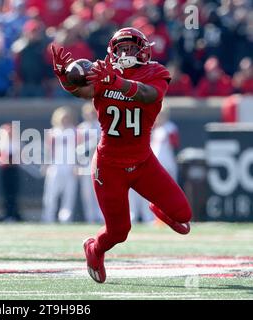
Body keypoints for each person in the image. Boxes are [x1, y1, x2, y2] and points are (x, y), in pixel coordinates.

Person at [51, 27, 192, 283]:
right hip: (109, 165)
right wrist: (65, 78)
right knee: (119, 232)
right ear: (112, 52)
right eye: (121, 48)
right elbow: (81, 92)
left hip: (143, 162)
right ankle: (94, 249)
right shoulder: (103, 71)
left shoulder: (156, 72)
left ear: (144, 50)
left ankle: (156, 206)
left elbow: (150, 95)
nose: (126, 52)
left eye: (131, 47)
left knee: (184, 215)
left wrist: (117, 82)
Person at [41, 106, 77, 223]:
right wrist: (46, 165)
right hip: (55, 166)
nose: (64, 120)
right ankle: (48, 218)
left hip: (70, 166)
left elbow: (80, 151)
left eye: (67, 117)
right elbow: (47, 151)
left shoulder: (75, 132)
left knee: (69, 195)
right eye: (62, 118)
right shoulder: (52, 132)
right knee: (50, 195)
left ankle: (66, 219)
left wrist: (78, 165)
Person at [76, 102, 103, 223]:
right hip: (85, 163)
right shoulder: (81, 128)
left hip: (99, 163)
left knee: (100, 191)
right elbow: (77, 148)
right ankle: (89, 217)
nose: (90, 115)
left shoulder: (100, 125)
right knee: (87, 193)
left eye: (92, 112)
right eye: (88, 113)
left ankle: (100, 216)